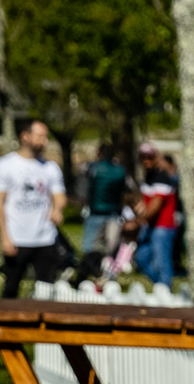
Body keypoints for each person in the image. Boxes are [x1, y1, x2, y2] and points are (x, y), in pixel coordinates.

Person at [0, 120, 70, 298]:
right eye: (40, 136)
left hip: (45, 238)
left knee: (46, 292)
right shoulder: (7, 165)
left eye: (46, 136)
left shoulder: (50, 168)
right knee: (11, 290)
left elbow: (60, 197)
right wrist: (5, 238)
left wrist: (58, 209)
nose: (44, 141)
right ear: (25, 136)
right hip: (17, 238)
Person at [81, 141, 130, 277]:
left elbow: (83, 180)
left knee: (89, 247)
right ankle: (109, 276)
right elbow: (128, 187)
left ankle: (90, 274)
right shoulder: (120, 170)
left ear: (99, 153)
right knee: (111, 247)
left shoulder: (93, 168)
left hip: (95, 212)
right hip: (114, 213)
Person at [136, 145, 181, 287]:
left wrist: (138, 220)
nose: (146, 161)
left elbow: (156, 205)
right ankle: (160, 286)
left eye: (150, 157)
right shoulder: (149, 175)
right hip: (151, 225)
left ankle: (165, 290)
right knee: (141, 256)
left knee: (162, 261)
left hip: (163, 226)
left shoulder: (161, 175)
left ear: (156, 157)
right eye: (143, 157)